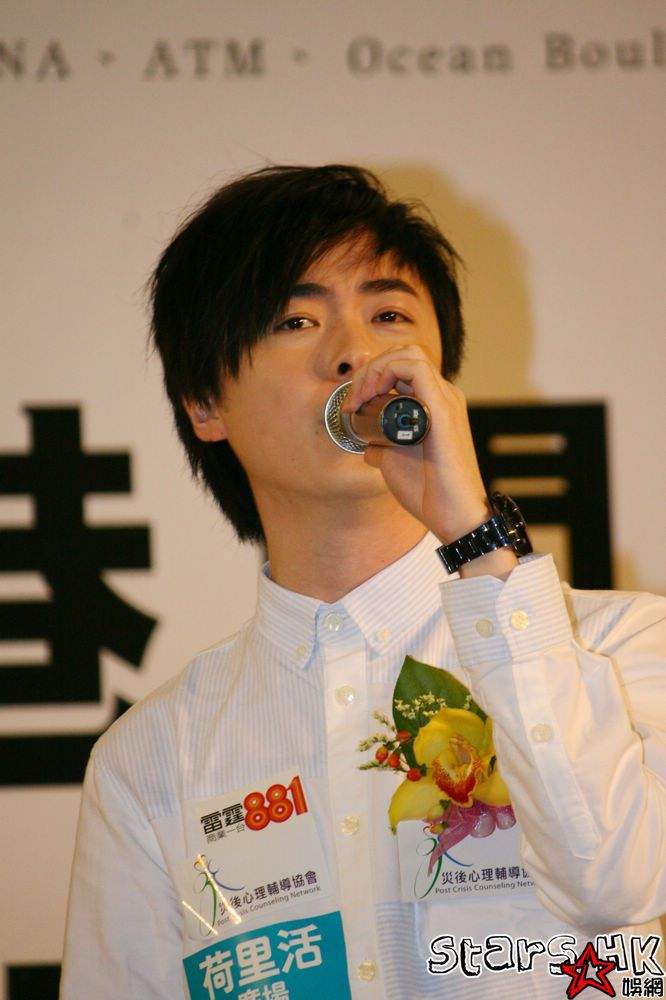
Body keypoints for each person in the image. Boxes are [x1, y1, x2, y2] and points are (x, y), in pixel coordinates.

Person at [60, 164, 665, 999]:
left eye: (389, 315)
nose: (355, 353)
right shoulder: (153, 759)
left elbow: (611, 892)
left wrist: (476, 536)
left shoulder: (619, 649)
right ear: (205, 402)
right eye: (296, 320)